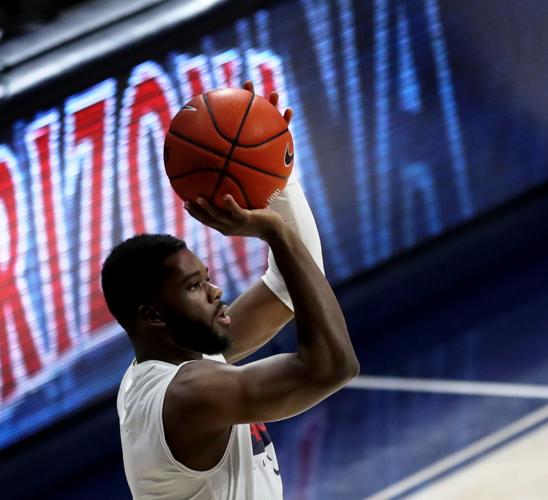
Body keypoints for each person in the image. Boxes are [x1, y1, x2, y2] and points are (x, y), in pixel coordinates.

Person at [101, 83, 360, 499]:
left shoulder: (178, 358)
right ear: (152, 314)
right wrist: (274, 230)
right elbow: (332, 368)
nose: (215, 290)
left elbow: (288, 289)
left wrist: (276, 176)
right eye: (193, 286)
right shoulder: (190, 396)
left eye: (206, 277)